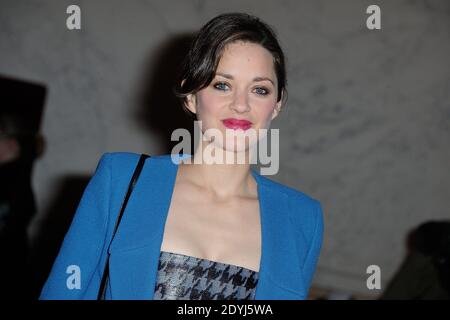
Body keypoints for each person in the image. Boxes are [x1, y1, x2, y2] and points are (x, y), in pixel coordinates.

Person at [40, 12, 324, 300]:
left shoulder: (302, 219)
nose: (241, 104)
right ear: (191, 96)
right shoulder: (121, 180)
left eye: (260, 89)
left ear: (276, 105)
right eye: (222, 85)